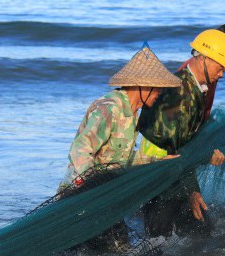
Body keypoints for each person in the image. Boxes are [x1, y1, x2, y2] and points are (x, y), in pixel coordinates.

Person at [58, 44, 181, 251]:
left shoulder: (132, 113)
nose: (160, 93)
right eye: (157, 87)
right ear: (142, 85)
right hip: (81, 196)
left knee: (119, 247)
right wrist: (90, 187)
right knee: (113, 247)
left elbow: (121, 160)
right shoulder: (109, 108)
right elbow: (80, 149)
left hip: (105, 197)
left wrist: (156, 162)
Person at [136, 25, 225, 237]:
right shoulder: (179, 92)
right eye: (221, 67)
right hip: (157, 173)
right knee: (159, 239)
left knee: (195, 234)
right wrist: (191, 190)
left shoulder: (197, 87)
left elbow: (187, 139)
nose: (222, 74)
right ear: (204, 58)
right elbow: (173, 148)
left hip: (174, 171)